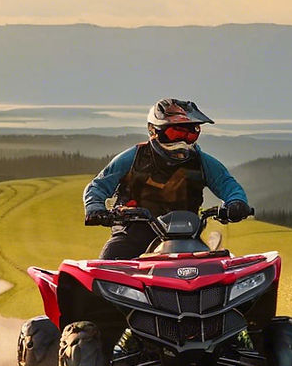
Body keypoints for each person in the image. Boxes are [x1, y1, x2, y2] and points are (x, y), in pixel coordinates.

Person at [83, 98, 251, 260]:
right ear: (153, 131)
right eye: (175, 133)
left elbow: (227, 184)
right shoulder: (133, 157)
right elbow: (98, 186)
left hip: (186, 236)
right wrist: (95, 209)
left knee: (214, 269)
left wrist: (237, 203)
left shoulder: (202, 161)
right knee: (107, 266)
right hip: (133, 234)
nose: (183, 141)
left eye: (190, 134)